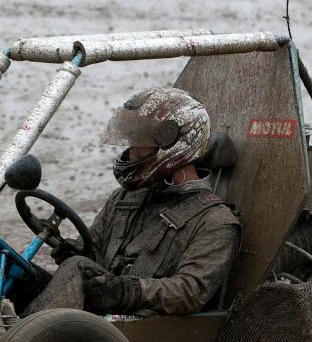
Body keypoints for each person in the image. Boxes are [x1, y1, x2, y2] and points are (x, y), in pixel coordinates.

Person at [25, 88, 241, 318]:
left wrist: (129, 292)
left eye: (142, 140)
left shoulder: (216, 222)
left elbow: (190, 291)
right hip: (99, 316)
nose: (132, 151)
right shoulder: (124, 198)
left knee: (77, 266)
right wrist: (72, 250)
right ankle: (2, 339)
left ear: (175, 145)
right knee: (12, 269)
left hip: (144, 330)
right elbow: (94, 250)